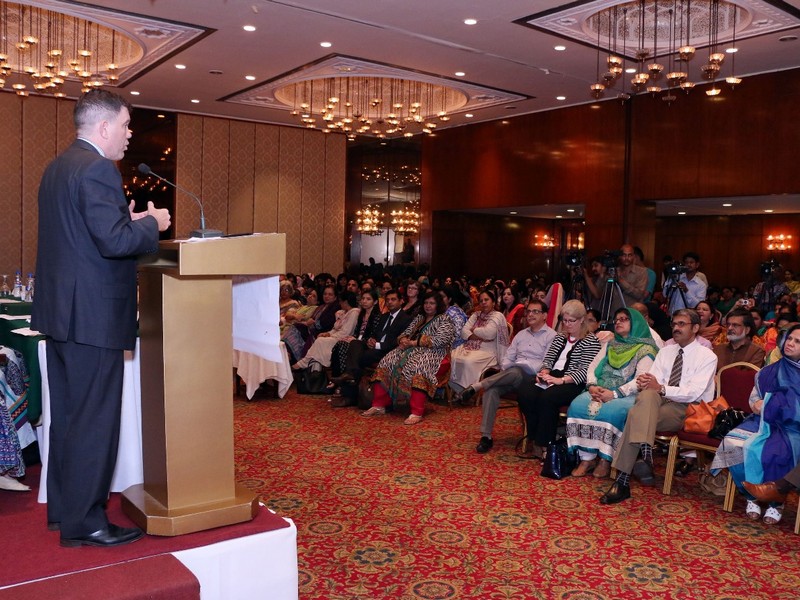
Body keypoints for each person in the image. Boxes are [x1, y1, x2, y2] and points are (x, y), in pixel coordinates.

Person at [31, 89, 171, 547]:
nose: (130, 135)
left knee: (70, 420)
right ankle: (88, 522)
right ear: (104, 127)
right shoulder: (97, 169)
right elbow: (113, 243)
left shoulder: (59, 167)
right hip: (91, 319)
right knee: (93, 422)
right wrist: (153, 224)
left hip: (65, 316)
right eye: (127, 125)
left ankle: (67, 514)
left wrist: (125, 222)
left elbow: (86, 236)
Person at [600, 308, 717, 505]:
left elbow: (694, 392)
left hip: (688, 408)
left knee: (635, 415)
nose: (676, 328)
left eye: (682, 324)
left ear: (696, 328)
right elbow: (648, 382)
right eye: (674, 324)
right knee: (646, 395)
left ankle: (622, 481)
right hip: (658, 402)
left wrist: (661, 388)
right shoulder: (665, 351)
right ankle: (645, 446)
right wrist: (619, 392)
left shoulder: (707, 356)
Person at [712, 324, 800, 525]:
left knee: (774, 450)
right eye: (790, 339)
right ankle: (751, 496)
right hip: (762, 420)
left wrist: (778, 408)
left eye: (798, 341)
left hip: (793, 427)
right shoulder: (770, 371)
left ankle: (774, 503)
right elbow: (755, 398)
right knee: (733, 443)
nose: (791, 344)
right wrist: (758, 404)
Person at [567, 308, 659, 478]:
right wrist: (593, 386)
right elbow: (593, 366)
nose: (618, 322)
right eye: (616, 319)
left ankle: (605, 460)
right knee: (577, 405)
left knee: (611, 411)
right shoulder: (611, 343)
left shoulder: (646, 349)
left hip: (627, 394)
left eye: (624, 319)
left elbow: (640, 380)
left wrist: (614, 394)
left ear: (636, 323)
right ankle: (586, 459)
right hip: (600, 389)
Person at [459, 299, 557, 453]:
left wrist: (524, 365)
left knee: (517, 371)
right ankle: (486, 436)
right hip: (512, 376)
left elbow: (547, 363)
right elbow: (508, 357)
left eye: (535, 311)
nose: (530, 314)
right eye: (528, 311)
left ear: (545, 315)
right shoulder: (521, 335)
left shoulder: (552, 336)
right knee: (492, 391)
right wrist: (507, 366)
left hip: (533, 380)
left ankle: (477, 385)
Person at [517, 300, 601, 459]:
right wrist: (544, 372)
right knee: (525, 391)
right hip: (554, 376)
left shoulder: (591, 341)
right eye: (564, 320)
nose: (567, 324)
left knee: (548, 397)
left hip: (573, 382)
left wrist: (561, 380)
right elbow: (548, 360)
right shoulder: (560, 337)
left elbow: (586, 371)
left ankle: (545, 445)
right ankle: (534, 437)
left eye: (571, 321)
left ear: (582, 319)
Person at [361, 291, 456, 425]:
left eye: (432, 303)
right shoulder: (419, 318)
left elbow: (439, 340)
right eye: (426, 303)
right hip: (409, 350)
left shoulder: (445, 320)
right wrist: (404, 339)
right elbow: (405, 333)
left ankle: (416, 412)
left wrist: (414, 342)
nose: (428, 306)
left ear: (438, 305)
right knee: (386, 361)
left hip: (434, 353)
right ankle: (379, 405)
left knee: (418, 366)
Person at [449, 290, 510, 394]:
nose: (483, 302)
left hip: (488, 351)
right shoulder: (476, 315)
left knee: (468, 361)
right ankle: (458, 389)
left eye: (486, 300)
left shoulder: (498, 316)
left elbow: (489, 334)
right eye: (481, 301)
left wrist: (473, 330)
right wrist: (479, 335)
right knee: (454, 357)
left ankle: (468, 391)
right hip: (470, 347)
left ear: (493, 302)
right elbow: (464, 332)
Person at [292, 291, 360, 370]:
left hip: (345, 339)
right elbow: (335, 329)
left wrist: (330, 335)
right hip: (336, 336)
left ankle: (303, 362)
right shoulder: (342, 313)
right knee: (320, 340)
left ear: (345, 302)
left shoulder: (354, 312)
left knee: (321, 341)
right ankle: (315, 372)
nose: (340, 304)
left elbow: (346, 332)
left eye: (340, 301)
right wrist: (327, 333)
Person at [282, 284, 339, 363]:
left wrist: (311, 324)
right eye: (325, 294)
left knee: (297, 327)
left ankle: (292, 357)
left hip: (321, 332)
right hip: (311, 329)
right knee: (295, 327)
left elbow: (324, 323)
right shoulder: (321, 307)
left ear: (335, 297)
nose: (326, 296)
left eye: (330, 294)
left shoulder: (335, 308)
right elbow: (311, 319)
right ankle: (287, 353)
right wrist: (309, 323)